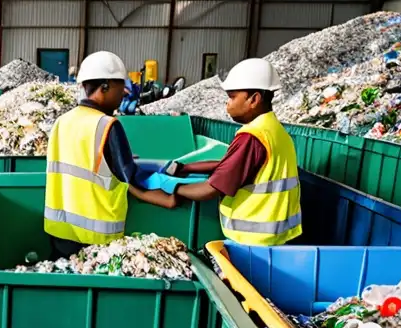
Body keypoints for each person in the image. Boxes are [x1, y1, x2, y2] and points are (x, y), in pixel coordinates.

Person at [44, 51, 177, 259]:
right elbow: (133, 178)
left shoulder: (62, 122)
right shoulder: (107, 125)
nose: (125, 92)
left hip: (59, 233)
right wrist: (174, 190)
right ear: (105, 86)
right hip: (96, 242)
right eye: (120, 85)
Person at [165, 58, 301, 246]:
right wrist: (186, 167)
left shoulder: (252, 137)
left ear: (254, 99)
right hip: (276, 237)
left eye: (232, 97)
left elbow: (210, 189)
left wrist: (171, 186)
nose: (227, 104)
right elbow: (231, 166)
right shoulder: (274, 131)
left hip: (253, 240)